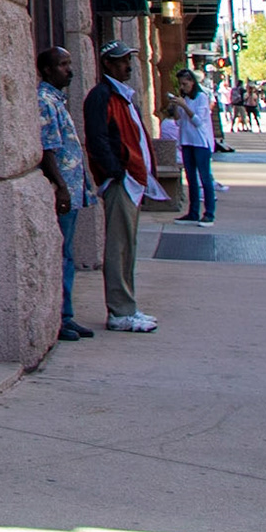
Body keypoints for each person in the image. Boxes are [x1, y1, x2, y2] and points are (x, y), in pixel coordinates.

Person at [83, 40, 165, 332]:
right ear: (107, 63)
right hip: (122, 181)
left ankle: (127, 306)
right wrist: (116, 172)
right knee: (119, 248)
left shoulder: (122, 96)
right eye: (120, 61)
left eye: (128, 60)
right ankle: (120, 311)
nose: (127, 66)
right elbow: (97, 139)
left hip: (132, 180)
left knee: (127, 247)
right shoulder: (102, 96)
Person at [37, 46, 95, 342]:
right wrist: (60, 187)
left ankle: (67, 315)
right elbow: (48, 149)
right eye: (63, 64)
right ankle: (59, 317)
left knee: (68, 255)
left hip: (73, 188)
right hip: (63, 192)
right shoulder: (45, 101)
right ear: (47, 70)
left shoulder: (58, 100)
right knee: (61, 256)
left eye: (69, 63)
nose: (69, 70)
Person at [169, 69, 216, 224]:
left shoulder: (201, 98)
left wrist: (185, 107)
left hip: (200, 142)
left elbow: (198, 121)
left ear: (192, 82)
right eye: (181, 85)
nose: (183, 87)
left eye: (185, 84)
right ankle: (193, 212)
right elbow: (178, 122)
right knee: (191, 178)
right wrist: (177, 107)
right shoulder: (185, 99)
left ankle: (209, 213)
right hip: (187, 141)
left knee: (204, 177)